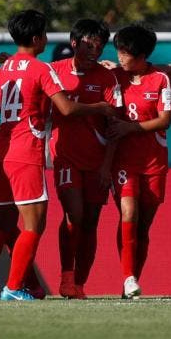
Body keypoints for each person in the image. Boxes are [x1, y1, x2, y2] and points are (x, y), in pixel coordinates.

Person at [0, 9, 115, 301]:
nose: (93, 50)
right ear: (37, 38)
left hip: (3, 150)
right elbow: (66, 109)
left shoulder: (5, 69)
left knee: (4, 224)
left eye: (99, 45)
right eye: (43, 33)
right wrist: (98, 108)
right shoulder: (46, 70)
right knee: (41, 223)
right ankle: (16, 287)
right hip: (31, 151)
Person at [50, 18, 121, 299]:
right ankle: (66, 277)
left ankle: (79, 283)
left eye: (100, 46)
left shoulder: (107, 78)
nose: (95, 51)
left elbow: (114, 127)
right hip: (65, 157)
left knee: (90, 222)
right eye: (89, 44)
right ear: (74, 42)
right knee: (73, 215)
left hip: (97, 161)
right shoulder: (53, 72)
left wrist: (106, 166)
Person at [106, 24, 171, 299]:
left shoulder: (160, 80)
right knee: (128, 214)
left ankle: (132, 280)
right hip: (123, 160)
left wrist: (131, 128)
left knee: (143, 227)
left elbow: (165, 120)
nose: (121, 57)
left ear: (142, 54)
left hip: (154, 162)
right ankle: (128, 277)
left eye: (126, 52)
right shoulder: (114, 77)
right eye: (119, 51)